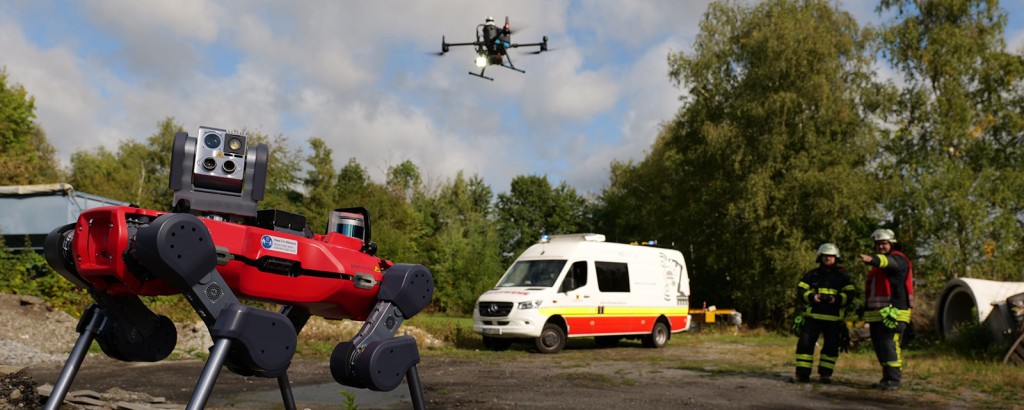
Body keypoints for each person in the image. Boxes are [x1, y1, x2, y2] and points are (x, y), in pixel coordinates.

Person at [790, 243, 856, 384]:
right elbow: (801, 290)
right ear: (820, 257)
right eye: (826, 256)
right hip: (812, 317)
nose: (828, 259)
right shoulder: (812, 275)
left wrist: (836, 299)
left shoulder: (843, 277)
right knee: (805, 345)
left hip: (834, 319)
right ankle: (802, 374)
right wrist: (812, 297)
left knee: (831, 348)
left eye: (831, 256)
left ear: (836, 258)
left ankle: (825, 375)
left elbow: (850, 294)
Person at [858, 228, 914, 391]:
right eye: (878, 244)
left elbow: (889, 263)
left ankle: (894, 379)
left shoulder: (899, 259)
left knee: (889, 344)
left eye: (884, 243)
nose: (881, 247)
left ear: (892, 244)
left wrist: (871, 259)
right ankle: (887, 378)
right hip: (878, 313)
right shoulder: (878, 268)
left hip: (894, 312)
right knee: (880, 346)